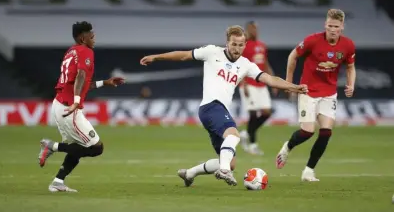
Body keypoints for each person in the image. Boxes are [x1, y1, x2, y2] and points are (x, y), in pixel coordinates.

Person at [140, 25, 308, 187]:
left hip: (217, 112)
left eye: (240, 45)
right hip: (211, 106)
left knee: (229, 160)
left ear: (245, 45)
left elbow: (270, 79)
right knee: (234, 135)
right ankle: (225, 171)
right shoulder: (212, 52)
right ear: (227, 43)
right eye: (233, 44)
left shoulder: (246, 65)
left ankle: (190, 173)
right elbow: (183, 55)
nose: (237, 48)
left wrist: (293, 87)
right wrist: (156, 57)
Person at [38, 21, 125, 192]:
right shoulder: (86, 51)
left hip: (61, 105)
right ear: (82, 37)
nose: (94, 37)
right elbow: (81, 75)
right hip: (69, 108)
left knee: (77, 148)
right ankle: (52, 146)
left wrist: (105, 83)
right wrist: (77, 101)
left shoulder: (71, 51)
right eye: (91, 35)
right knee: (95, 147)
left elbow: (82, 82)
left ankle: (57, 182)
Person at [276, 9, 356, 182]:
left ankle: (308, 171)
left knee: (326, 132)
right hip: (308, 91)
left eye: (336, 26)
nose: (332, 29)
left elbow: (350, 66)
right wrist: (289, 83)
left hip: (329, 93)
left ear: (342, 27)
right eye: (329, 26)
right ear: (325, 25)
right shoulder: (312, 40)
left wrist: (351, 84)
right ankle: (287, 147)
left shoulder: (348, 45)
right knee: (308, 131)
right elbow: (293, 56)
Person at [239, 21, 278, 155]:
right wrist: (243, 84)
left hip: (261, 83)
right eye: (252, 29)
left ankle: (246, 133)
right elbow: (240, 66)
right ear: (247, 30)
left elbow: (265, 64)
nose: (254, 31)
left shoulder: (262, 46)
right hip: (249, 84)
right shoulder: (244, 46)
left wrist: (273, 81)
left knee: (267, 112)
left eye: (256, 29)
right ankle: (253, 144)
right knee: (253, 114)